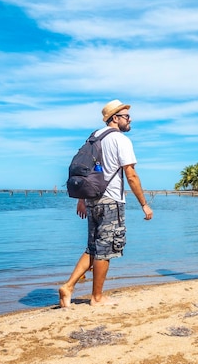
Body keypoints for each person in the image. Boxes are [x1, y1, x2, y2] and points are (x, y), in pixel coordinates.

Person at [59, 99, 153, 307]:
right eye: (126, 116)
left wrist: (82, 200)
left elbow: (84, 169)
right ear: (115, 118)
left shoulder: (95, 137)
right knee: (105, 250)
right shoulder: (120, 140)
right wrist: (144, 204)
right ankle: (97, 297)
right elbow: (131, 174)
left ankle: (68, 287)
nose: (130, 119)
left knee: (93, 248)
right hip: (111, 201)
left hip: (92, 199)